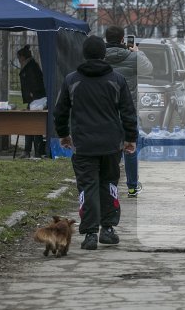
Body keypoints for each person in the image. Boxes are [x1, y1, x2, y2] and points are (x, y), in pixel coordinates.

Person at [54, 36, 138, 251]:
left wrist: (64, 135)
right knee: (109, 184)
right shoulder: (117, 80)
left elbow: (60, 112)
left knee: (88, 186)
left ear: (84, 54)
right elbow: (128, 112)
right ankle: (108, 229)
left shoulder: (72, 80)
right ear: (103, 55)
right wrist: (130, 138)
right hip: (111, 143)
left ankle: (90, 233)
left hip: (83, 144)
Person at [103, 26, 153, 198]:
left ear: (106, 39)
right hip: (128, 110)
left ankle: (110, 186)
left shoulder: (100, 57)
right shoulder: (133, 57)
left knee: (109, 149)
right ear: (123, 39)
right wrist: (138, 52)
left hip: (105, 111)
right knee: (130, 147)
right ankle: (132, 187)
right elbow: (148, 69)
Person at [16, 45, 47, 158]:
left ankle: (36, 151)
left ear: (23, 57)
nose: (18, 61)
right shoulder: (30, 65)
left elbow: (35, 83)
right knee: (30, 125)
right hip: (33, 100)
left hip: (36, 100)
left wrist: (32, 94)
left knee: (34, 125)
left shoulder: (30, 67)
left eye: (19, 58)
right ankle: (28, 150)